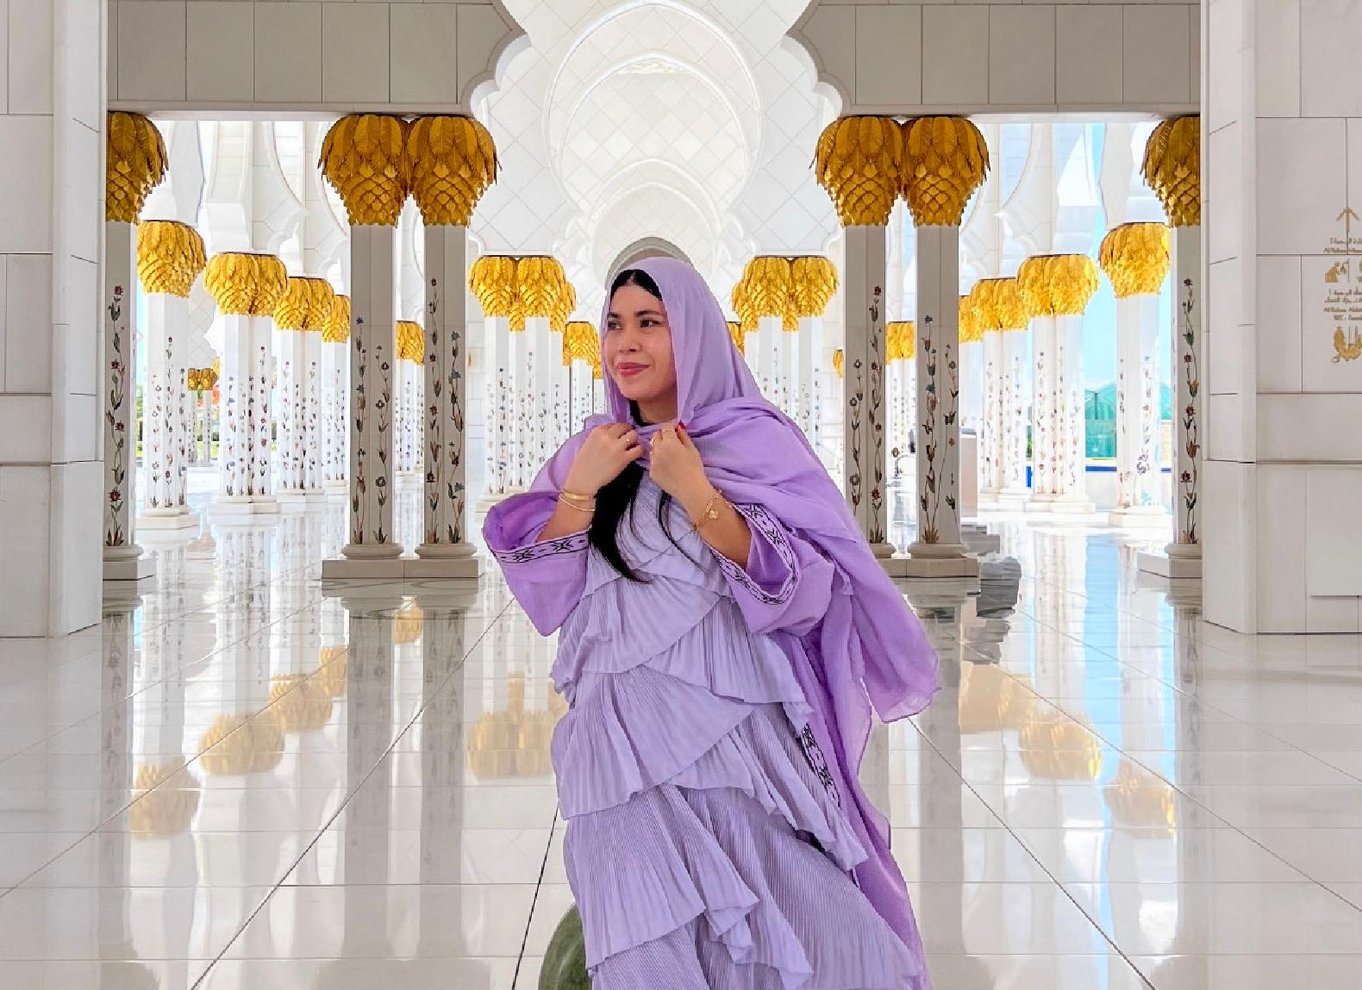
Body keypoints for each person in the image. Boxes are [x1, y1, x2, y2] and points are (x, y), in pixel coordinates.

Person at [484, 257, 938, 989]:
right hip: (619, 747)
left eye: (649, 323)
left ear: (692, 334)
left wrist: (697, 492)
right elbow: (549, 592)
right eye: (614, 325)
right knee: (644, 926)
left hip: (729, 740)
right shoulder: (594, 451)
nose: (626, 343)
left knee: (773, 908)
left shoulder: (752, 442)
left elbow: (802, 588)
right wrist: (578, 491)